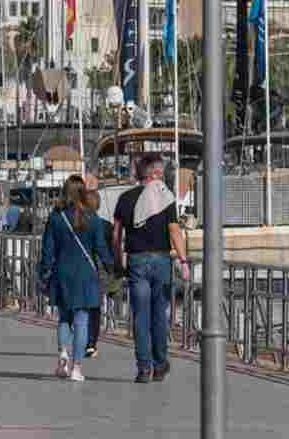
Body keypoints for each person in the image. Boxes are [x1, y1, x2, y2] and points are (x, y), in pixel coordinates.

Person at [112, 153, 188, 384]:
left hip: (136, 261)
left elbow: (116, 235)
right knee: (159, 315)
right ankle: (160, 363)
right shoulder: (165, 198)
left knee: (140, 316)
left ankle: (144, 368)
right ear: (155, 173)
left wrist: (117, 261)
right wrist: (184, 261)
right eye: (161, 172)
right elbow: (174, 231)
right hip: (161, 261)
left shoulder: (125, 198)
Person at [38, 178, 114, 382]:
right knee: (81, 321)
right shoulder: (93, 218)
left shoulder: (56, 217)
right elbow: (101, 247)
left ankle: (63, 352)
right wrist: (111, 266)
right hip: (86, 274)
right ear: (83, 192)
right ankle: (76, 368)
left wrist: (44, 271)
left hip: (62, 272)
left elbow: (47, 249)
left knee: (64, 318)